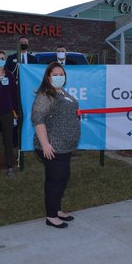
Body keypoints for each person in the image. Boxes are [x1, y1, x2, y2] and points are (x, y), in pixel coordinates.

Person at [32, 62, 81, 228]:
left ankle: (56, 209)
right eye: (55, 75)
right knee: (56, 180)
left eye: (62, 74)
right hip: (53, 146)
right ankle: (51, 216)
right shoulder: (45, 95)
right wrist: (45, 144)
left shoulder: (62, 92)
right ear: (48, 77)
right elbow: (38, 120)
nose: (59, 77)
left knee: (61, 178)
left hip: (65, 146)